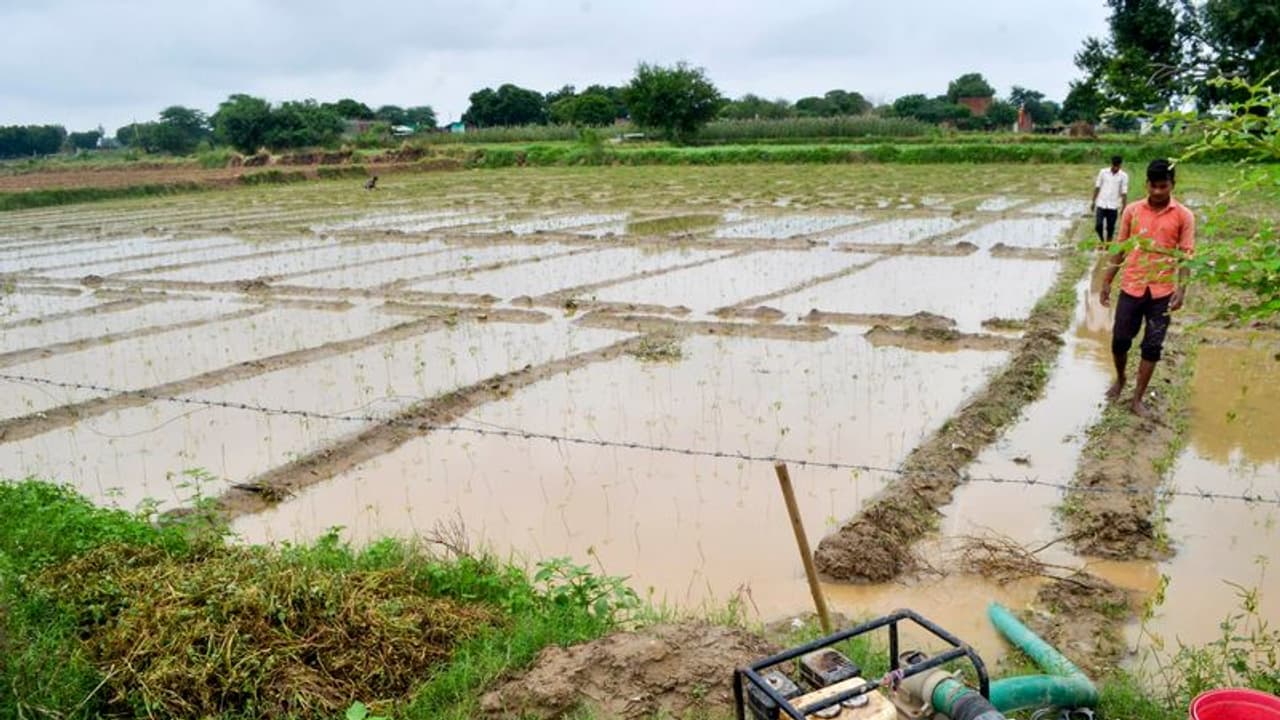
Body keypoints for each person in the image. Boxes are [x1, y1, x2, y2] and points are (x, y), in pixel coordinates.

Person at [1099, 158, 1195, 418]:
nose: (1157, 192)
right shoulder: (1132, 211)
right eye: (1153, 186)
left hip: (1162, 293)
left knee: (1152, 347)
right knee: (1120, 341)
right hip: (1132, 285)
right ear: (1147, 184)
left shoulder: (1184, 216)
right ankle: (1120, 379)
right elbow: (1120, 248)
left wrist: (1182, 289)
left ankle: (1137, 398)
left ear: (1172, 185)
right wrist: (1107, 281)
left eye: (1163, 187)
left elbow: (1185, 256)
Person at [1091, 155, 1128, 244]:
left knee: (1110, 227)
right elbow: (1097, 186)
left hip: (1113, 205)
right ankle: (1102, 241)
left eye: (1117, 166)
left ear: (1120, 165)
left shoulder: (1123, 176)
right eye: (1114, 166)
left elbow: (1124, 192)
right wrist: (1093, 201)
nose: (1115, 168)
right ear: (1111, 164)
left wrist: (1124, 207)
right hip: (1101, 203)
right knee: (1098, 226)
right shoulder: (1103, 172)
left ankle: (1108, 243)